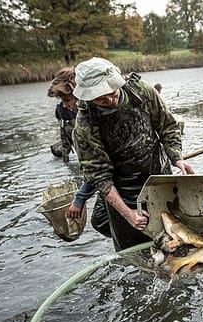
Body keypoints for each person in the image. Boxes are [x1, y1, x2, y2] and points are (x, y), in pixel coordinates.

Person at [72, 57, 194, 251]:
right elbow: (99, 176)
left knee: (174, 242)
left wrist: (177, 159)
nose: (110, 100)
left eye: (112, 92)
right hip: (122, 191)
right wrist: (128, 213)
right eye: (101, 99)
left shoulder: (141, 92)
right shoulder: (85, 125)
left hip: (158, 177)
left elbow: (167, 126)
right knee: (133, 252)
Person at [47, 68, 77, 162]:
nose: (65, 105)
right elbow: (64, 137)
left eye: (67, 100)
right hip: (75, 138)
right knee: (56, 151)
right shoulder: (62, 111)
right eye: (62, 100)